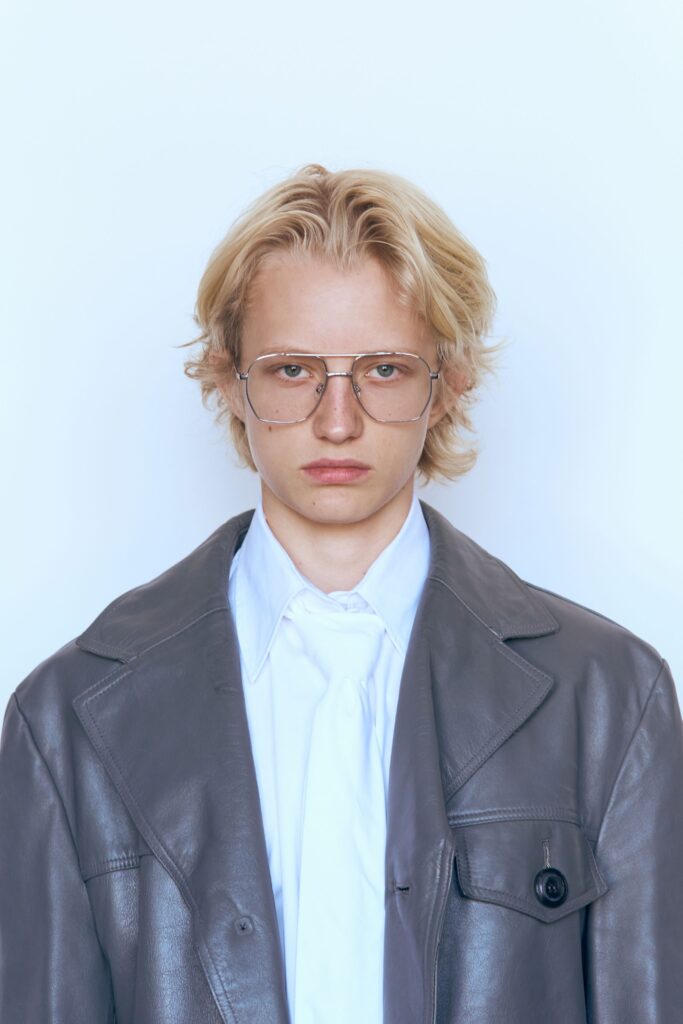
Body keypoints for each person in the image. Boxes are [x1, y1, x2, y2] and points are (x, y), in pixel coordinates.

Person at [1, 163, 681, 1024]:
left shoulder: (609, 697)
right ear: (229, 379)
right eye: (291, 370)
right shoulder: (65, 719)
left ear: (448, 382)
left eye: (384, 370)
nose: (336, 421)